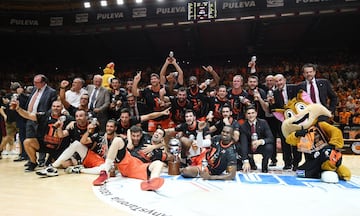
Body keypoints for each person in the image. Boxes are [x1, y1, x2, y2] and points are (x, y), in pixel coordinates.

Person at [35, 119, 118, 177]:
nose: (109, 128)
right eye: (108, 126)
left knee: (106, 170)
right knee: (76, 144)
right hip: (94, 158)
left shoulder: (119, 140)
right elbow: (83, 142)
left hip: (106, 164)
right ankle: (53, 167)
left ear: (115, 128)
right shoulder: (100, 136)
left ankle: (79, 170)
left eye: (111, 127)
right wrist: (88, 131)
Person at [13, 100, 73, 171]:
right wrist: (18, 109)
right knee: (27, 142)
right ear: (51, 107)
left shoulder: (68, 118)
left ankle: (51, 161)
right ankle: (33, 162)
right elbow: (28, 115)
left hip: (58, 148)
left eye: (58, 106)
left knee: (67, 164)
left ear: (62, 108)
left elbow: (76, 122)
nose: (55, 108)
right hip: (44, 144)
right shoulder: (44, 116)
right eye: (54, 106)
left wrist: (73, 123)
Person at [91, 136, 166, 191]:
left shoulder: (159, 152)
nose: (157, 134)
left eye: (160, 133)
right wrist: (130, 141)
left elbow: (170, 158)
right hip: (129, 160)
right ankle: (105, 172)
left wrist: (158, 146)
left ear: (162, 139)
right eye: (156, 132)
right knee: (117, 140)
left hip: (141, 167)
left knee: (159, 163)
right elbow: (130, 130)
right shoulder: (144, 138)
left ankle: (152, 182)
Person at [269, 74, 301, 170]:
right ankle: (287, 163)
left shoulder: (294, 88)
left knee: (296, 141)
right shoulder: (274, 93)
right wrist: (271, 104)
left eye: (280, 80)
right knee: (284, 142)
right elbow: (273, 109)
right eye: (277, 81)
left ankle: (296, 163)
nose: (279, 83)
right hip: (282, 121)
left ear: (285, 80)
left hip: (296, 120)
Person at [24, 74, 57, 167]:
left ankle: (41, 160)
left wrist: (44, 115)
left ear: (43, 82)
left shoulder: (51, 92)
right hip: (30, 117)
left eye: (37, 82)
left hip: (42, 120)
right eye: (34, 82)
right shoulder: (34, 89)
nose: (34, 84)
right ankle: (32, 160)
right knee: (29, 138)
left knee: (40, 139)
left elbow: (52, 107)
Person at [240, 105, 274, 173]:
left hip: (260, 146)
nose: (251, 115)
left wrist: (261, 141)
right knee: (239, 146)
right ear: (246, 115)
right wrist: (245, 161)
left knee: (269, 147)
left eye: (253, 113)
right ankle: (250, 161)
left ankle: (264, 166)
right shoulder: (243, 126)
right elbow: (244, 144)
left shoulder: (263, 122)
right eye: (249, 113)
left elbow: (271, 138)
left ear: (256, 113)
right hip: (249, 147)